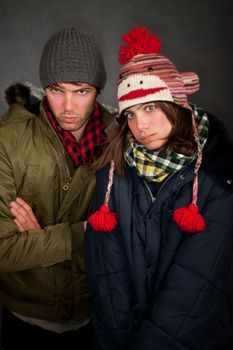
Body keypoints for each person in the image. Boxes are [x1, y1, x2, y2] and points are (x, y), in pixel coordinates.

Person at [84, 27, 233, 349]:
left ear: (176, 104)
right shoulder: (113, 171)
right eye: (131, 115)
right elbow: (106, 271)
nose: (141, 127)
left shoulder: (217, 175)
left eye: (150, 108)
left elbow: (198, 283)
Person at [0, 27, 114, 349]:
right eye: (56, 89)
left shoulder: (118, 143)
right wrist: (82, 234)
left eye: (81, 91)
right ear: (44, 88)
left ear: (98, 90)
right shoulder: (7, 140)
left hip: (94, 320)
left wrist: (38, 239)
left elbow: (122, 248)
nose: (67, 106)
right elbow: (2, 250)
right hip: (23, 319)